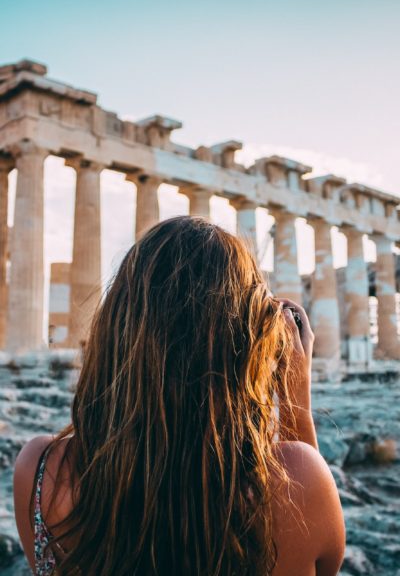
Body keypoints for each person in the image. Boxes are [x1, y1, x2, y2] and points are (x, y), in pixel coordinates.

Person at [13, 216, 345, 575]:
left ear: (117, 324)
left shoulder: (40, 470)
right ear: (247, 342)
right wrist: (296, 395)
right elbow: (321, 564)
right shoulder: (297, 479)